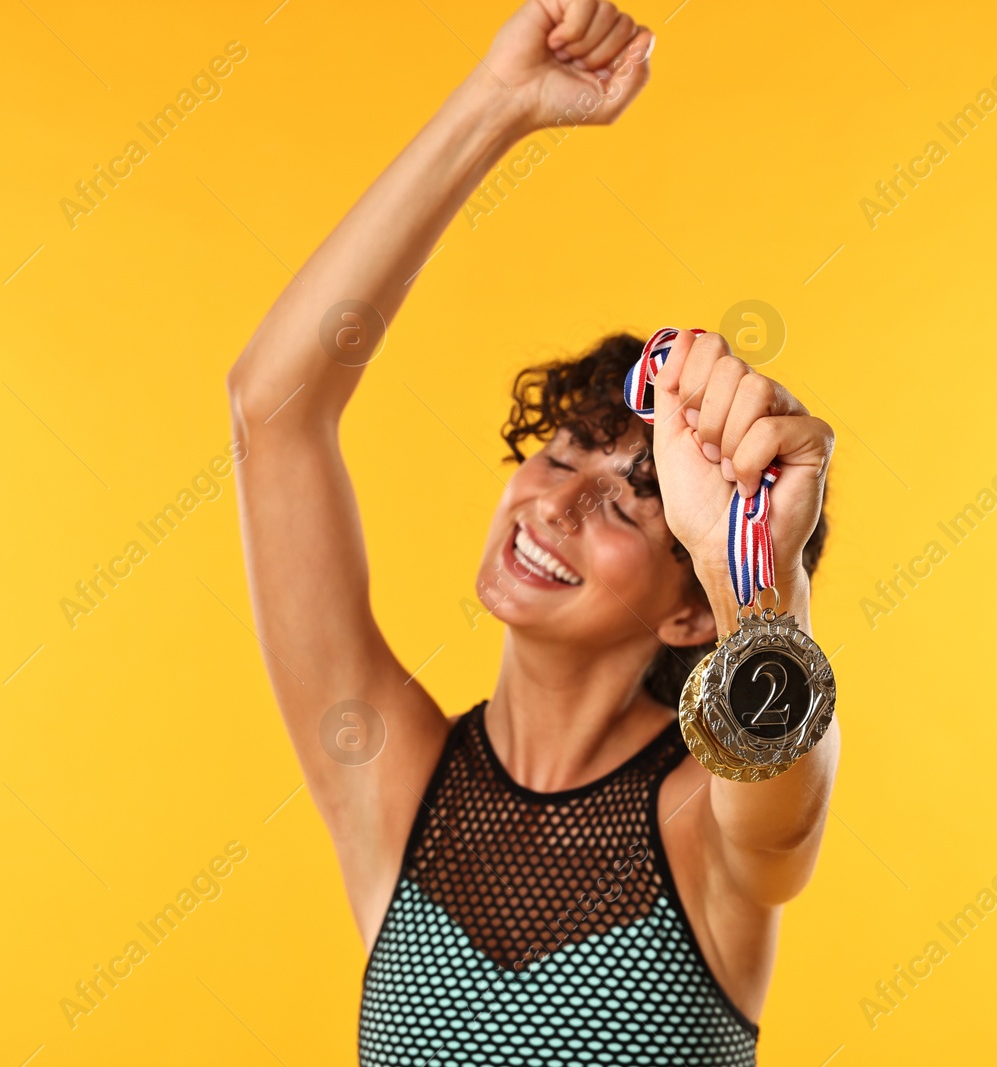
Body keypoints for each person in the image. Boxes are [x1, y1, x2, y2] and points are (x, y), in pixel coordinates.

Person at [225, 2, 839, 1062]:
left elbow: (782, 763)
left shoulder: (704, 826)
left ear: (689, 606)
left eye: (624, 502)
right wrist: (497, 104)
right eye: (561, 454)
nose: (555, 502)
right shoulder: (395, 780)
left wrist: (754, 566)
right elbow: (271, 411)